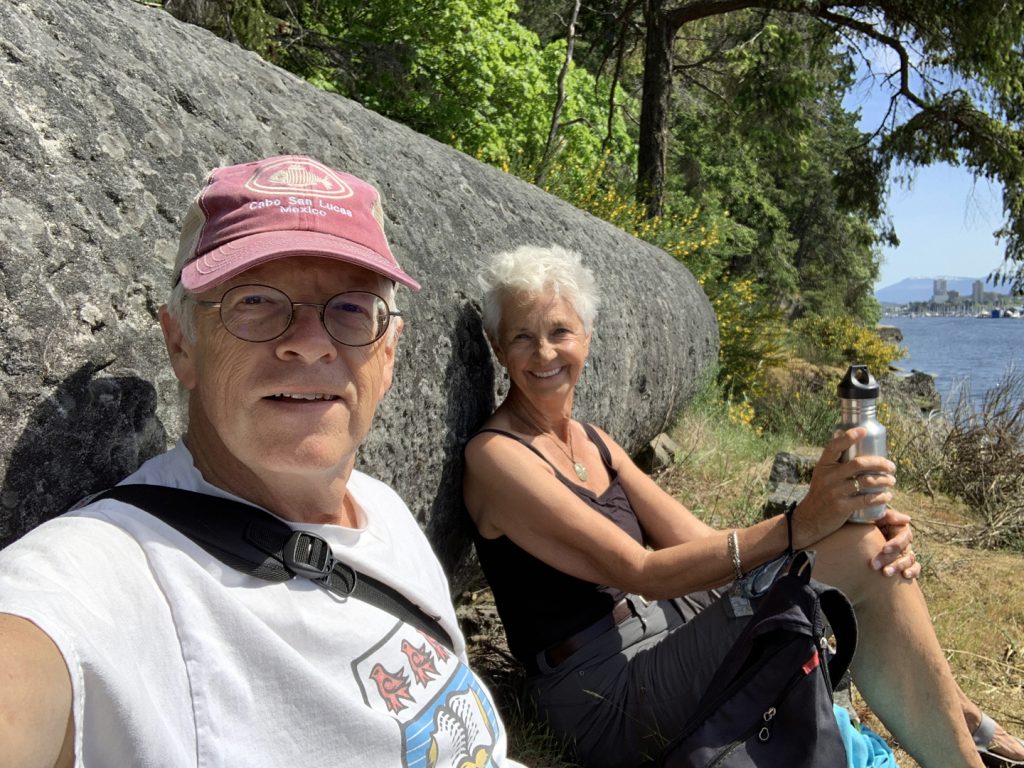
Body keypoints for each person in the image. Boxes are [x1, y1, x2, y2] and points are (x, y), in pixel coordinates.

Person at [0, 155, 524, 768]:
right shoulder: (113, 576)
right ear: (181, 345)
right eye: (254, 301)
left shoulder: (381, 508)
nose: (307, 340)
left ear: (388, 357)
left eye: (352, 308)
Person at [463, 244, 1024, 768]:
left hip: (670, 635)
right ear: (496, 346)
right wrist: (805, 522)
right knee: (847, 548)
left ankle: (965, 723)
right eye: (521, 337)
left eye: (560, 330)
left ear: (586, 335)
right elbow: (643, 573)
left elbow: (697, 538)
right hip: (605, 695)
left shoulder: (596, 441)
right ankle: (968, 743)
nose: (544, 353)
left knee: (861, 543)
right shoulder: (496, 458)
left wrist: (831, 517)